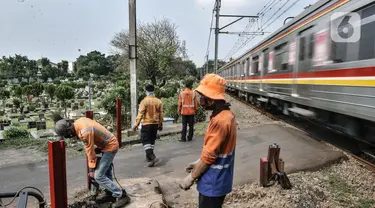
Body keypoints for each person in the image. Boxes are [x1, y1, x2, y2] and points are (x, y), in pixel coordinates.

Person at [179, 74, 237, 208]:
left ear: (212, 99)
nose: (201, 100)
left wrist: (191, 178)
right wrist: (197, 162)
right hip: (221, 180)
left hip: (213, 182)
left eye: (204, 96)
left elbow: (209, 157)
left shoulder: (220, 122)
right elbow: (216, 151)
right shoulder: (227, 115)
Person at [54, 117, 130, 207]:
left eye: (66, 135)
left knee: (99, 176)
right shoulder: (79, 122)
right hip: (105, 145)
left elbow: (90, 152)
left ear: (69, 130)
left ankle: (121, 194)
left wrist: (91, 170)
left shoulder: (84, 132)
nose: (68, 137)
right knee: (106, 173)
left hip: (110, 146)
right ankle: (110, 194)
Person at [133, 84, 163, 167]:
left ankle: (153, 157)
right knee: (151, 140)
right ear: (153, 90)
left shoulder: (144, 101)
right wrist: (160, 124)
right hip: (155, 124)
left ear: (146, 91)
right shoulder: (158, 101)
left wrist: (136, 124)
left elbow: (141, 113)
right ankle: (149, 157)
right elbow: (161, 114)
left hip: (147, 123)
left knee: (145, 140)